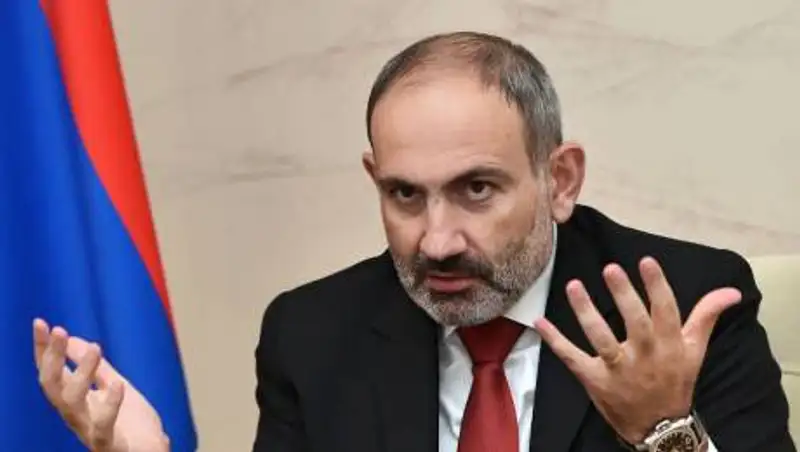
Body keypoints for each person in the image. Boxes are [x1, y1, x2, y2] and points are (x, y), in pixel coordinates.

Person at [33, 31, 794, 452]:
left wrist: (665, 433)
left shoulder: (682, 309)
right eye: (404, 194)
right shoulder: (312, 333)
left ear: (559, 179)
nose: (436, 241)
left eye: (476, 189)